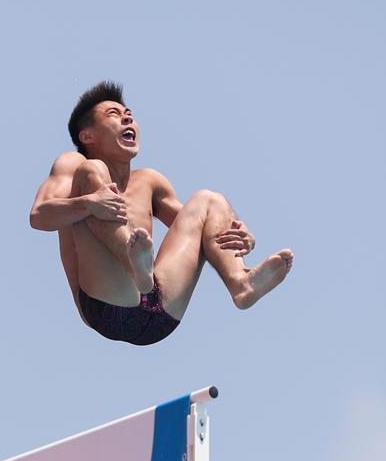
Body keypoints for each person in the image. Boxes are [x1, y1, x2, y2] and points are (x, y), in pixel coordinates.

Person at [29, 81, 293, 345]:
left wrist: (242, 238)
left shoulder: (150, 182)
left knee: (209, 200)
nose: (127, 118)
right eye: (113, 114)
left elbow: (202, 230)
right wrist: (88, 203)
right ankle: (131, 260)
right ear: (88, 136)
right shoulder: (73, 164)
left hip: (160, 311)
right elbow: (39, 216)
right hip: (105, 307)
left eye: (128, 114)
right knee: (91, 170)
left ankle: (241, 283)